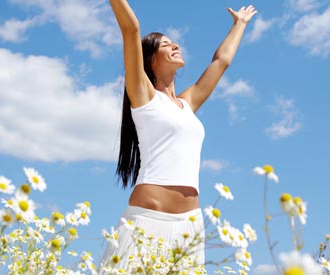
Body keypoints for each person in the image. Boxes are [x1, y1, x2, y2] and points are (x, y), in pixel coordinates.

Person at [101, 0, 256, 272]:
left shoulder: (187, 104)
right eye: (165, 44)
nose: (175, 46)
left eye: (174, 42)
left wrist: (239, 24)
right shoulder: (143, 96)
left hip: (190, 226)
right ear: (149, 59)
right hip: (148, 219)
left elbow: (221, 61)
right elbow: (131, 30)